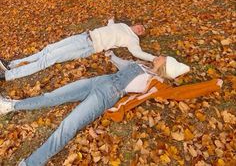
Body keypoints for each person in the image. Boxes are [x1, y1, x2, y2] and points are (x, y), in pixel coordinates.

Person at [0, 53, 191, 166]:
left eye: (161, 58)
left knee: (68, 125)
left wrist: (213, 85)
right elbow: (124, 66)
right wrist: (112, 56)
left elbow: (176, 93)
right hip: (101, 80)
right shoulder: (144, 66)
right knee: (53, 96)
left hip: (107, 95)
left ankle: (31, 163)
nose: (157, 57)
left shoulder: (155, 82)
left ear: (165, 67)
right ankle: (10, 106)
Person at [0, 18, 157, 81]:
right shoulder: (123, 25)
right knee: (48, 49)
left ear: (140, 35)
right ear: (137, 23)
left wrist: (153, 58)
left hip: (87, 46)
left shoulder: (133, 40)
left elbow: (137, 53)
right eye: (141, 26)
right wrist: (111, 20)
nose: (140, 29)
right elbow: (111, 28)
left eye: (142, 31)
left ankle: (8, 75)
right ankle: (12, 64)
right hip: (84, 36)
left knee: (49, 59)